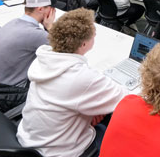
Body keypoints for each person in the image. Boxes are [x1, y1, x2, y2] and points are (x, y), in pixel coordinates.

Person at [17, 8, 127, 157]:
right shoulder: (82, 77)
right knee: (119, 136)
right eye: (93, 35)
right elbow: (125, 99)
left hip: (31, 140)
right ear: (83, 45)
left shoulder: (43, 61)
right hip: (61, 151)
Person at [0, 0, 58, 86]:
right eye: (52, 8)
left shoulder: (12, 22)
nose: (54, 11)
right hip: (9, 94)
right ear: (41, 9)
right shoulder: (34, 34)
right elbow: (66, 51)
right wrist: (49, 27)